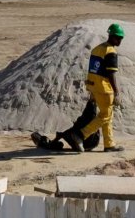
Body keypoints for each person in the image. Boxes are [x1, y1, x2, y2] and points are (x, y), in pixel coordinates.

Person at [34, 22, 123, 152]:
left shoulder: (97, 49)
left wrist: (92, 89)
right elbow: (111, 73)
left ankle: (109, 144)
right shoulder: (111, 52)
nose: (120, 40)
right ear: (112, 36)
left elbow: (92, 70)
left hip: (94, 86)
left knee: (107, 115)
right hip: (104, 88)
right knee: (105, 115)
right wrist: (117, 91)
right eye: (119, 37)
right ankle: (80, 135)